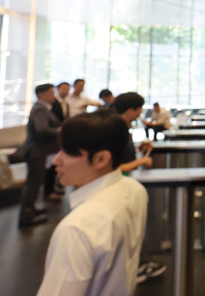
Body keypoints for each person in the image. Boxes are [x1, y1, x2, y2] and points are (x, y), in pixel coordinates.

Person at [37, 109, 148, 296]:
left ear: (101, 159)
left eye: (68, 152)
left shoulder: (77, 228)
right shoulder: (134, 190)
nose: (56, 160)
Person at [113, 93, 167, 283]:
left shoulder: (120, 128)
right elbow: (111, 166)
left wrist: (138, 149)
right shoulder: (114, 130)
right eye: (138, 110)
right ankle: (133, 268)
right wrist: (140, 162)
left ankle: (137, 265)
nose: (139, 115)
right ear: (130, 110)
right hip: (118, 189)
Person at [19, 84, 61, 227]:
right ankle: (26, 215)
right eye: (50, 93)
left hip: (38, 150)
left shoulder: (41, 108)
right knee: (33, 183)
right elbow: (42, 128)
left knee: (35, 182)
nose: (53, 96)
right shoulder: (40, 109)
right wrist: (59, 130)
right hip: (36, 150)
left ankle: (30, 209)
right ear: (41, 95)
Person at [43, 83, 70, 203]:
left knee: (55, 165)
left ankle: (53, 187)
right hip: (52, 140)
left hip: (60, 138)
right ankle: (48, 191)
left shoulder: (66, 103)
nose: (66, 91)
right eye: (64, 89)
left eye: (68, 89)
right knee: (51, 165)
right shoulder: (50, 104)